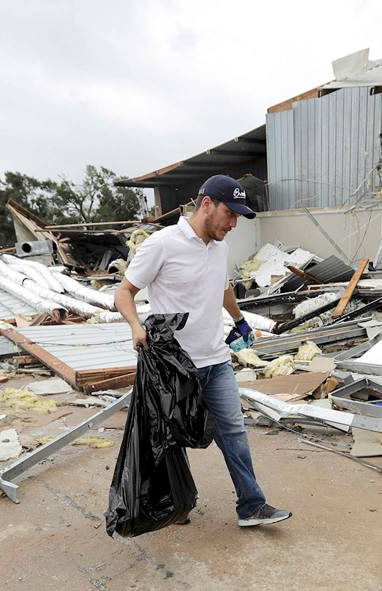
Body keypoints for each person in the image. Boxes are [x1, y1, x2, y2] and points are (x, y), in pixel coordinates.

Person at [114, 174, 292, 528]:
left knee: (234, 432)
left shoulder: (220, 246)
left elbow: (222, 287)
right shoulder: (162, 244)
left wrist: (239, 320)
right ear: (207, 204)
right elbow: (124, 292)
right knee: (172, 436)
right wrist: (136, 327)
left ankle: (251, 505)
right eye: (230, 214)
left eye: (239, 217)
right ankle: (176, 503)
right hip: (174, 365)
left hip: (216, 360)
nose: (234, 223)